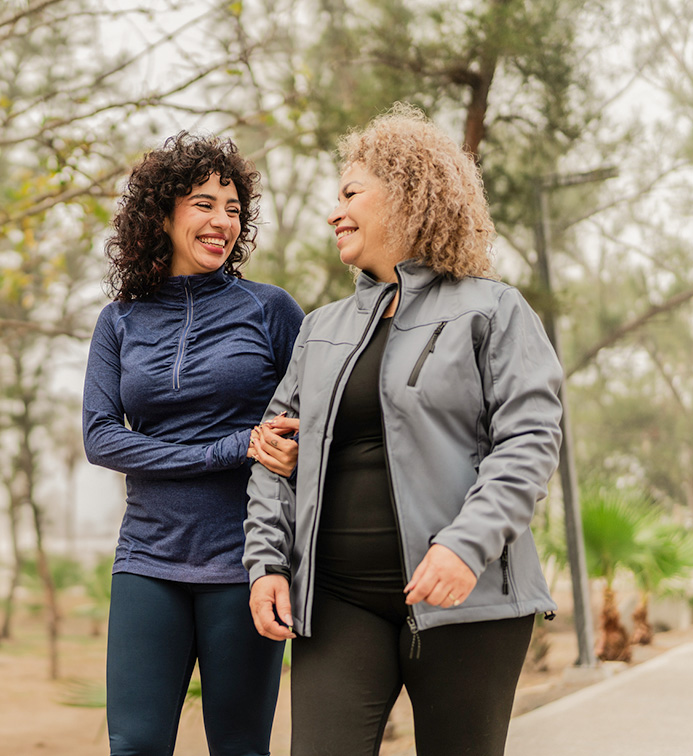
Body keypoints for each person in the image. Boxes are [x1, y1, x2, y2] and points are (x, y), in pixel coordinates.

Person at [243, 104, 562, 756]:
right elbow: (275, 454)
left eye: (351, 192)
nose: (334, 211)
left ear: (410, 193)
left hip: (466, 601)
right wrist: (267, 563)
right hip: (337, 602)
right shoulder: (320, 328)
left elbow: (529, 441)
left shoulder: (493, 310)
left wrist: (464, 546)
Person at [83, 132, 305, 756]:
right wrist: (230, 448)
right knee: (134, 745)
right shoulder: (120, 320)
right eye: (204, 203)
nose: (222, 222)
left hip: (244, 562)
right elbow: (101, 438)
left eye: (233, 209)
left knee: (239, 748)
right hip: (147, 558)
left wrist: (290, 455)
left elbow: (314, 423)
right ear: (162, 213)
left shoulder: (270, 311)